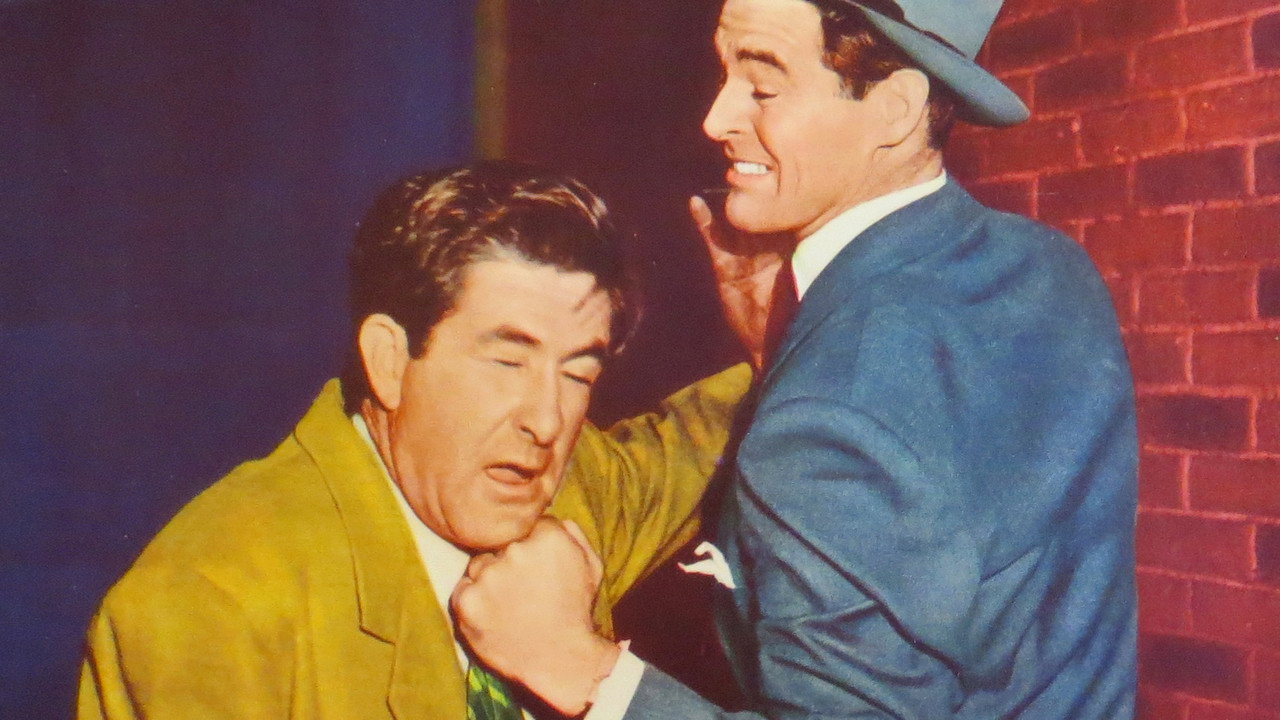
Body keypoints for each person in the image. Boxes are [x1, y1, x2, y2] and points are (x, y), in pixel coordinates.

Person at [452, 1, 1138, 718]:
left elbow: (856, 422)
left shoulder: (834, 397)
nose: (715, 120)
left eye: (764, 86)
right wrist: (783, 353)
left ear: (896, 109)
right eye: (726, 76)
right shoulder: (1050, 268)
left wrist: (582, 667)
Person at [76, 161, 753, 719]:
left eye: (578, 374)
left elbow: (711, 437)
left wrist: (777, 332)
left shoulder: (570, 488)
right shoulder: (210, 601)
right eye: (506, 363)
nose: (547, 422)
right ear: (389, 361)